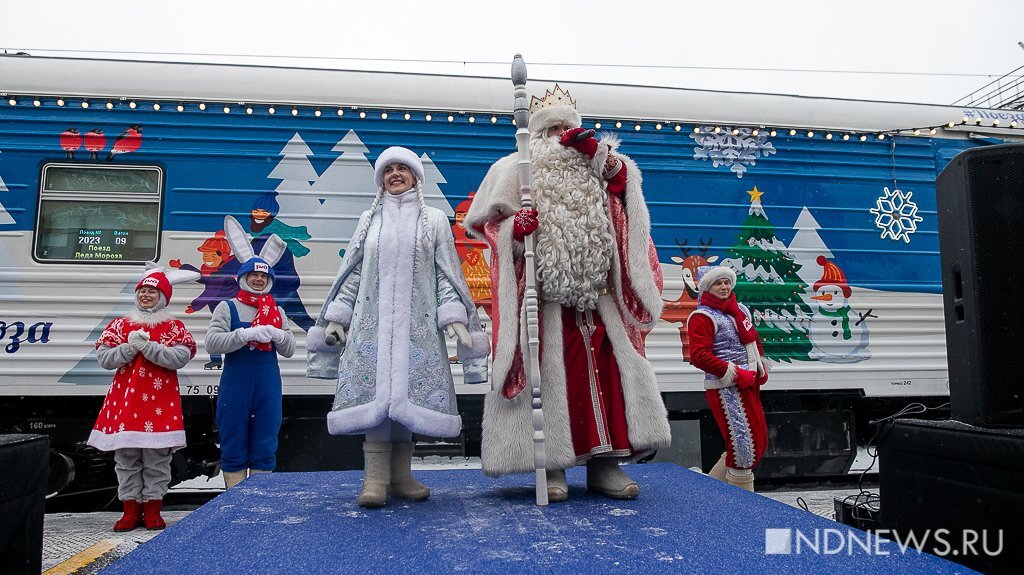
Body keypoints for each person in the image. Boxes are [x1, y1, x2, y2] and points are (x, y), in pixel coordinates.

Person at [463, 85, 671, 502]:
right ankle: (551, 465)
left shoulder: (604, 166)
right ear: (537, 133)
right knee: (551, 382)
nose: (560, 132)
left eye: (567, 125)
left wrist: (603, 158)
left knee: (608, 382)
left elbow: (631, 205)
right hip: (545, 303)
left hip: (600, 299)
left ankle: (605, 466)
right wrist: (514, 234)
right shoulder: (515, 169)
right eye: (552, 126)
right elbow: (488, 226)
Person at [307, 146, 489, 508]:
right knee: (378, 400)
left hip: (416, 329)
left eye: (402, 169)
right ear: (380, 177)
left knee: (404, 401)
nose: (395, 174)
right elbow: (353, 272)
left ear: (415, 176)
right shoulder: (368, 219)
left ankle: (401, 477)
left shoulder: (434, 220)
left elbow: (446, 273)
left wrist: (453, 317)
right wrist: (337, 318)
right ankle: (374, 481)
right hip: (371, 326)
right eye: (388, 169)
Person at [87, 266, 198, 531]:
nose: (146, 295)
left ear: (163, 297)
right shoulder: (120, 325)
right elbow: (104, 358)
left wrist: (149, 347)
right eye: (143, 291)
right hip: (125, 403)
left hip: (159, 404)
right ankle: (130, 510)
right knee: (126, 458)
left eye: (153, 291)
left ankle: (152, 510)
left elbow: (181, 357)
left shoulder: (174, 327)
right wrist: (129, 347)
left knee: (157, 459)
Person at [206, 217, 296, 488]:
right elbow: (212, 343)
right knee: (233, 439)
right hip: (236, 383)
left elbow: (290, 349)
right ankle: (233, 499)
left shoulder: (277, 311)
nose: (258, 279)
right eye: (254, 275)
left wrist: (280, 335)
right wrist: (243, 335)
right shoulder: (228, 307)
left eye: (264, 276)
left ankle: (259, 499)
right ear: (243, 277)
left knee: (266, 440)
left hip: (267, 383)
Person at [686, 265, 770, 491]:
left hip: (748, 383)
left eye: (726, 282)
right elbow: (699, 356)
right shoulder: (702, 316)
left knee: (757, 443)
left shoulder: (739, 309)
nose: (723, 287)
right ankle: (744, 507)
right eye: (717, 283)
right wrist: (734, 372)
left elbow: (752, 340)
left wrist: (759, 366)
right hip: (726, 388)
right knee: (745, 449)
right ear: (707, 288)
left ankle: (710, 491)